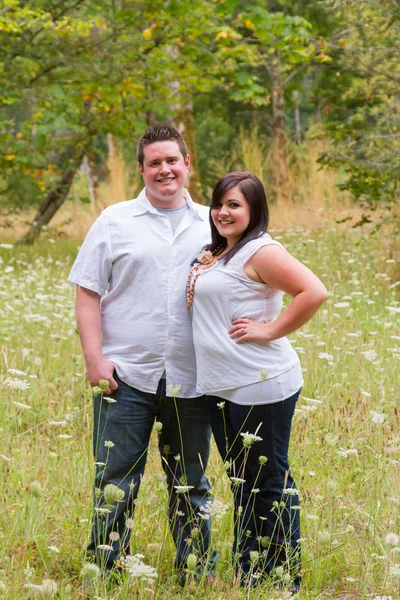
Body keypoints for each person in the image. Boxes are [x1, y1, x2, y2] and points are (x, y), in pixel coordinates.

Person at [68, 124, 217, 580]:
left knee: (190, 484)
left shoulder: (215, 222)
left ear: (188, 164)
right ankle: (106, 571)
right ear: (141, 169)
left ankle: (196, 572)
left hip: (192, 378)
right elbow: (87, 292)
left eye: (172, 160)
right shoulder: (114, 221)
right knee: (115, 482)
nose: (164, 169)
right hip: (125, 374)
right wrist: (96, 360)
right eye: (154, 162)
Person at [187, 171, 328, 590]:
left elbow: (313, 291)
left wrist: (269, 331)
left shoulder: (261, 251)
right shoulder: (218, 251)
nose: (223, 212)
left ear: (254, 210)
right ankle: (251, 572)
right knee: (241, 480)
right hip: (220, 384)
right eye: (219, 204)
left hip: (260, 382)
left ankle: (284, 579)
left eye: (235, 205)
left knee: (269, 481)